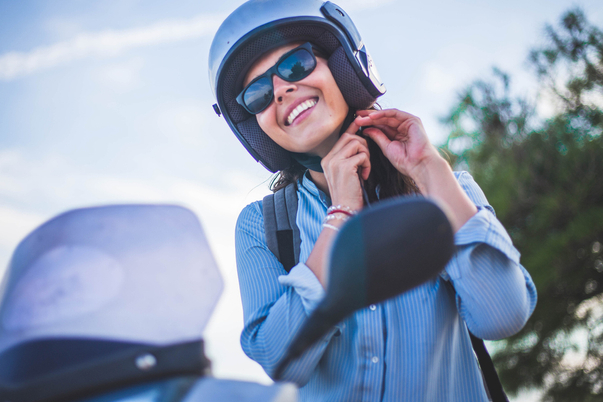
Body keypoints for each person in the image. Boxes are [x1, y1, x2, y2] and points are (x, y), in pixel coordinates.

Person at [208, 1, 537, 400]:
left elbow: (504, 315)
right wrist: (340, 216)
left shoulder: (444, 187)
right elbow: (281, 361)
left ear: (345, 68)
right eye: (257, 93)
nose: (280, 90)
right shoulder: (260, 225)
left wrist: (429, 168)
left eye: (295, 64)